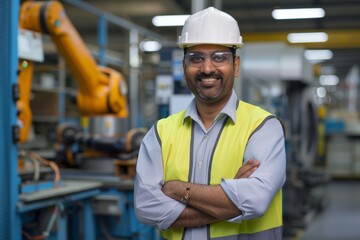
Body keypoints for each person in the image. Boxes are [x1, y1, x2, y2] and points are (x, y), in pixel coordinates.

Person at [134, 6, 286, 240]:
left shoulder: (263, 127)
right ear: (184, 67)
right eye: (196, 58)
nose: (207, 68)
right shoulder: (161, 133)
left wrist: (179, 190)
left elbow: (255, 200)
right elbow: (145, 207)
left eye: (218, 57)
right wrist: (231, 200)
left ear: (235, 66)